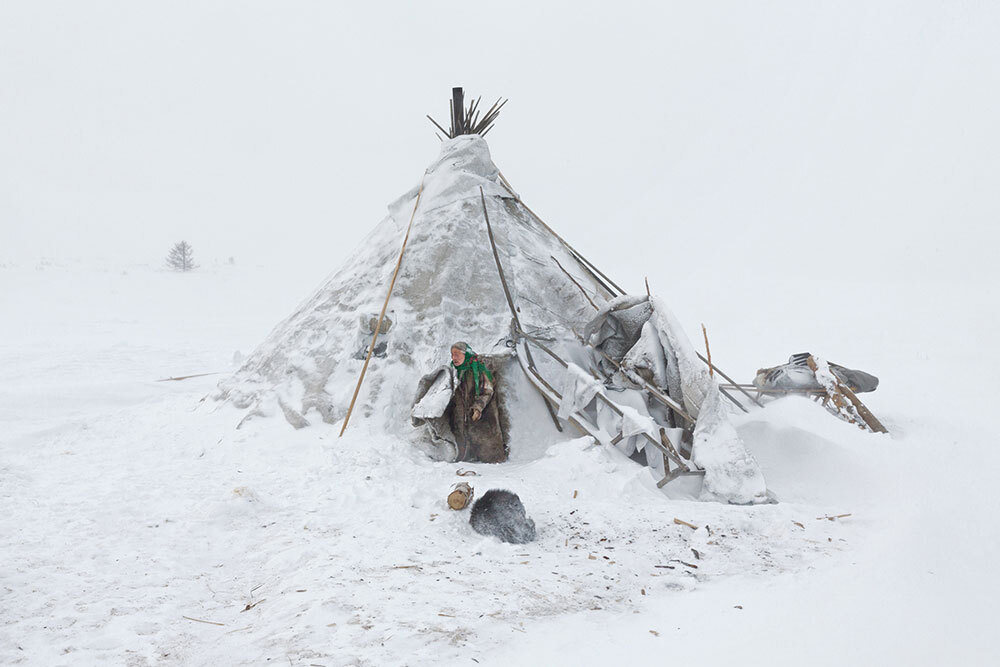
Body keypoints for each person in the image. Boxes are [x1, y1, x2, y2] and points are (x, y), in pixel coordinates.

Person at [448, 341, 507, 463]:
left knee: (488, 446)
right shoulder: (454, 371)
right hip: (463, 415)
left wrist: (478, 407)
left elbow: (487, 389)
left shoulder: (479, 368)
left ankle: (495, 461)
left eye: (457, 354)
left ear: (466, 354)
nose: (454, 358)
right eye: (452, 355)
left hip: (483, 414)